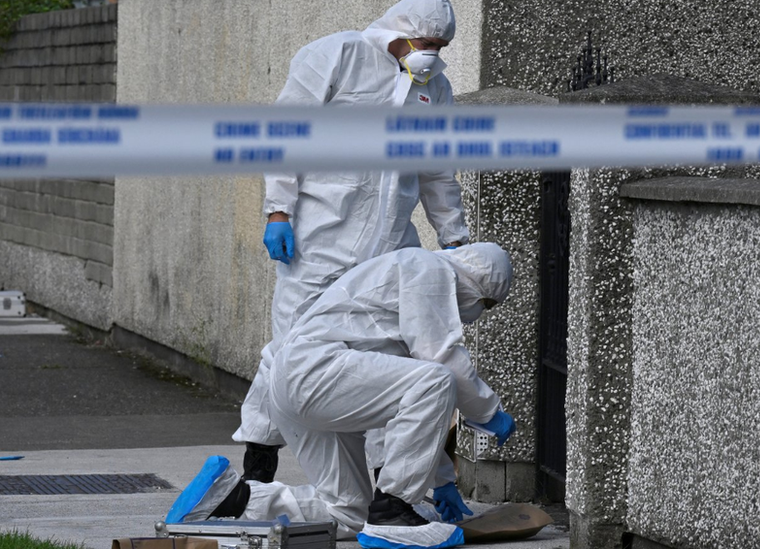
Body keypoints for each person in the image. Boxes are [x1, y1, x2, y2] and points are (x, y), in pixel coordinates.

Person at [233, 0, 469, 489]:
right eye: (426, 45)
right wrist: (278, 210)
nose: (432, 55)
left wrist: (454, 240)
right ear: (400, 30)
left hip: (388, 244)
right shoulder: (336, 55)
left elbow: (436, 169)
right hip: (319, 238)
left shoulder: (434, 88)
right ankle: (258, 461)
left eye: (441, 48)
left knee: (394, 353)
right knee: (291, 348)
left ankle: (398, 484)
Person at [167, 243, 518, 549]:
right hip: (317, 372)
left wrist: (442, 480)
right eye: (486, 303)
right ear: (479, 281)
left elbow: (411, 417)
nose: (477, 313)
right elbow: (441, 363)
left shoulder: (411, 298)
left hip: (298, 383)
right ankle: (392, 513)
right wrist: (488, 411)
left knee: (349, 513)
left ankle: (231, 499)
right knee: (439, 380)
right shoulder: (427, 268)